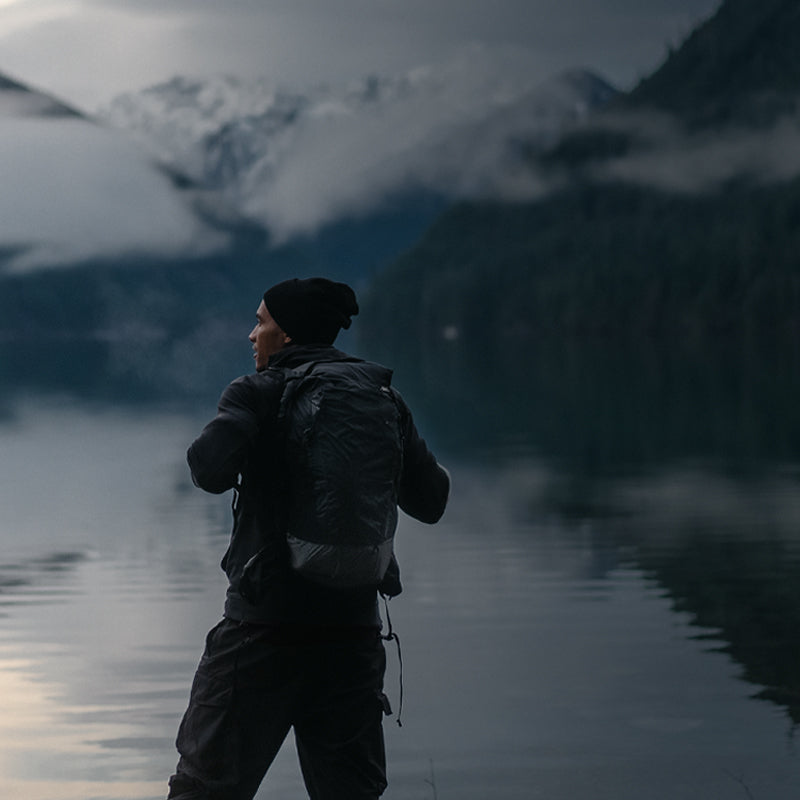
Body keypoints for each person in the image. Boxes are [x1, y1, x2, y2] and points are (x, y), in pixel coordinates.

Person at [167, 277, 450, 800]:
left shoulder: (257, 391)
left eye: (262, 322)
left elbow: (208, 471)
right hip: (351, 639)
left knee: (205, 790)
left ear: (288, 335)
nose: (253, 335)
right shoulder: (383, 397)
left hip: (261, 635)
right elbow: (432, 502)